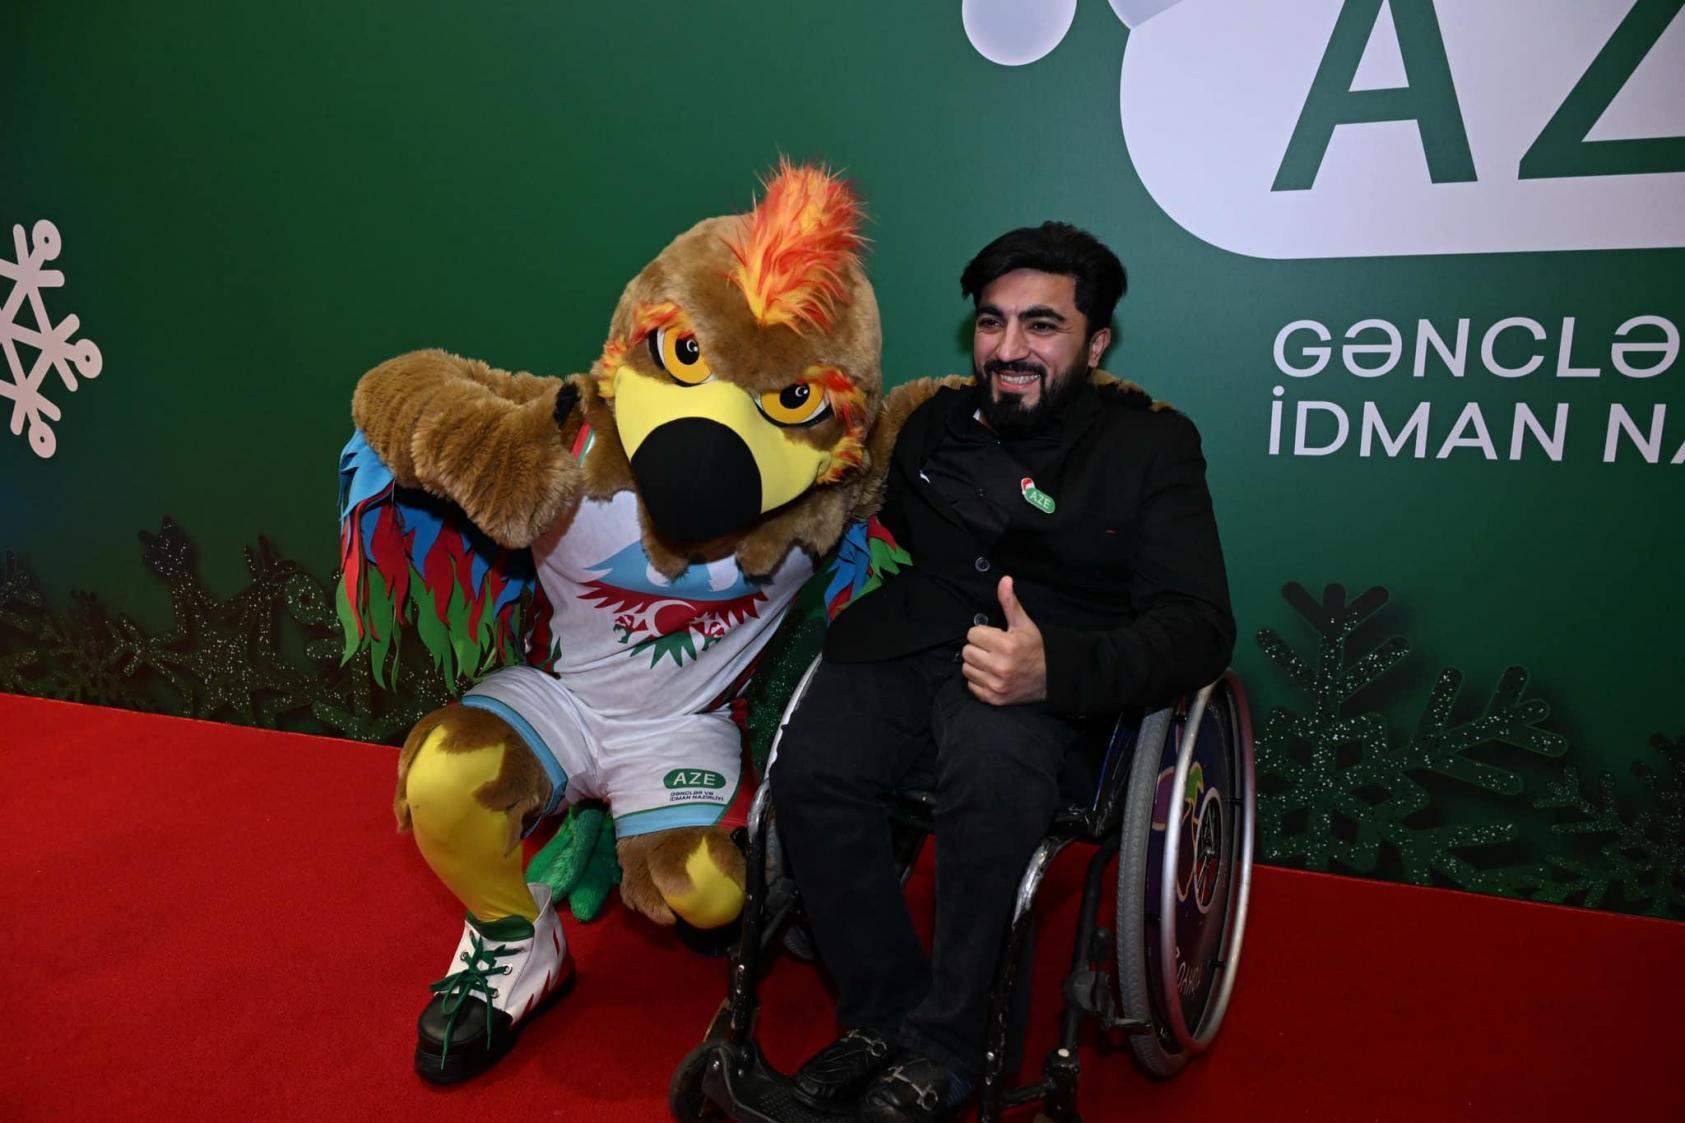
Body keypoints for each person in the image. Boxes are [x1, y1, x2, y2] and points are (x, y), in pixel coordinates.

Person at [768, 222, 1235, 1122]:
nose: (1008, 347)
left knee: (990, 781)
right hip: (913, 643)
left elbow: (1200, 627)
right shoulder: (931, 426)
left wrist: (1054, 668)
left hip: (1044, 672)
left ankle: (951, 1045)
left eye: (1041, 325)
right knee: (811, 772)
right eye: (991, 322)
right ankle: (881, 1012)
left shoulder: (1150, 447)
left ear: (1094, 343)